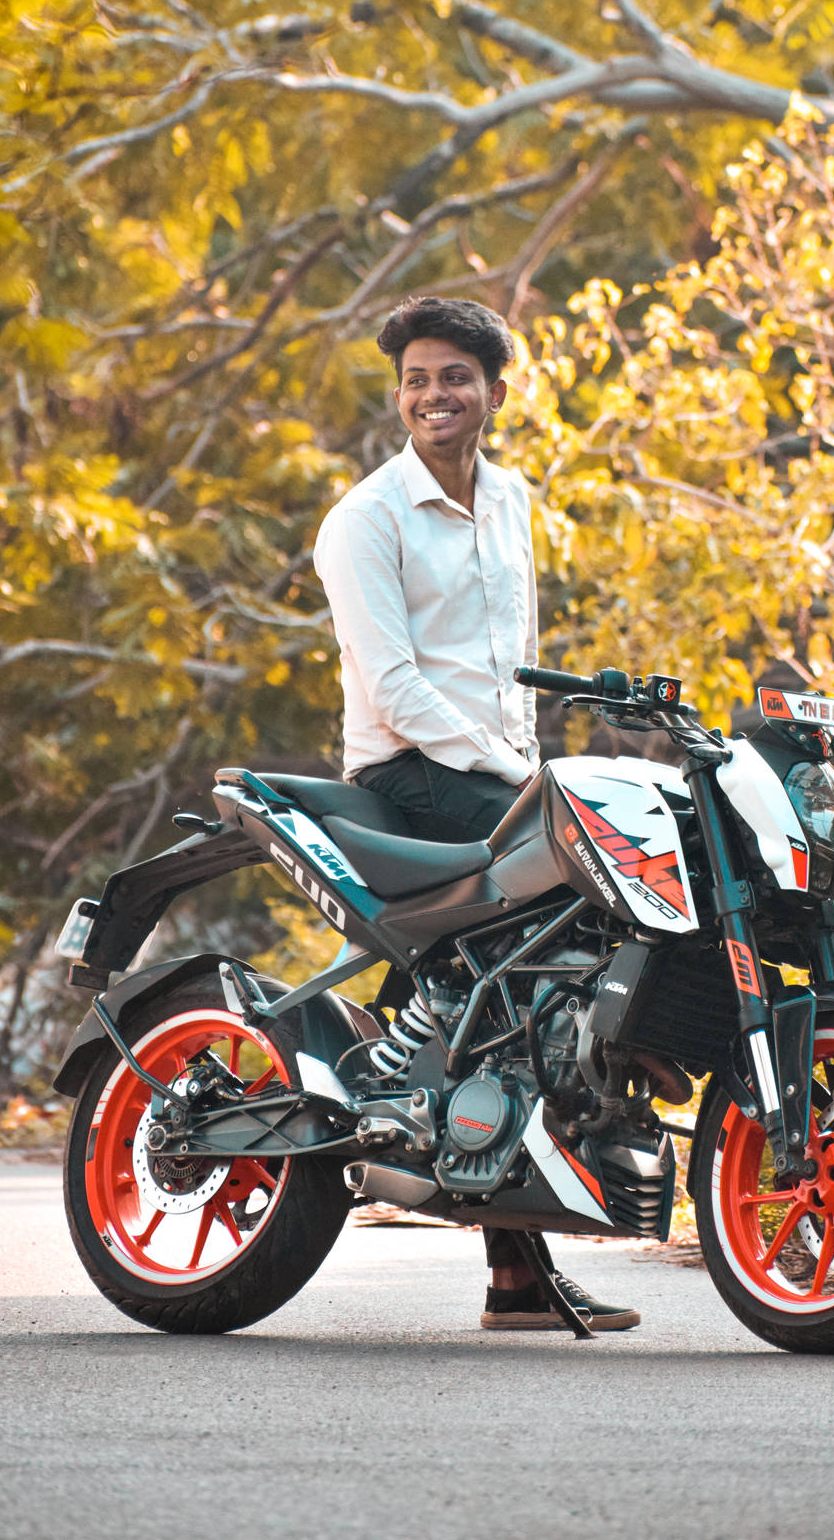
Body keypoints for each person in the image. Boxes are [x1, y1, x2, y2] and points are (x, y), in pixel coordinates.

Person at [312, 295, 639, 1333]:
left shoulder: (513, 499)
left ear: (495, 390)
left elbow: (510, 668)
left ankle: (514, 1274)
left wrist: (533, 759)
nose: (432, 396)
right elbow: (396, 686)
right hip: (408, 771)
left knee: (518, 982)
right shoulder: (364, 520)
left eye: (453, 376)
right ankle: (513, 1270)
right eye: (415, 379)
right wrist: (516, 778)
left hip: (496, 766)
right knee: (536, 944)